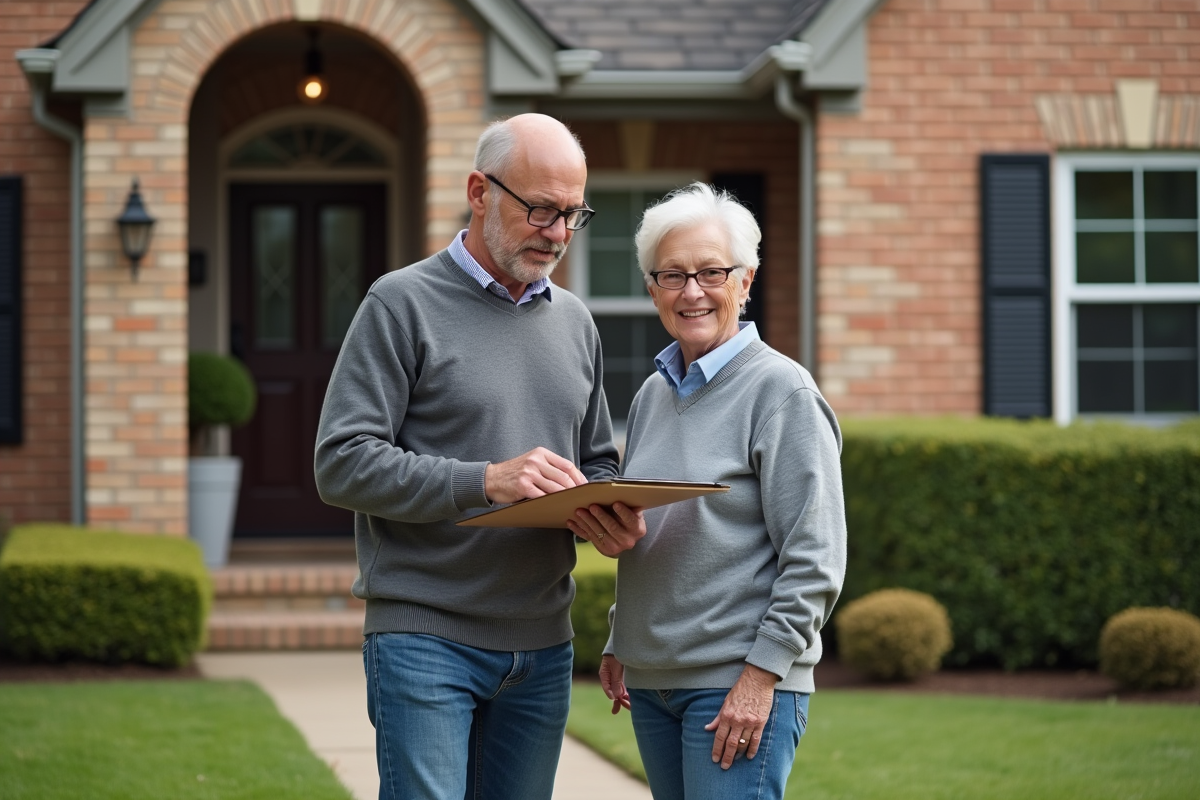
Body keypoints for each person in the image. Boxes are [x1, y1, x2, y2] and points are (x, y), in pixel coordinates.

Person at [314, 114, 646, 800]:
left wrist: (604, 512)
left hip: (543, 642)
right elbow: (341, 461)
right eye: (540, 210)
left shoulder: (576, 323)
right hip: (423, 637)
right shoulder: (399, 303)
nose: (557, 233)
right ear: (478, 191)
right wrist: (485, 480)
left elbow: (597, 460)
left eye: (572, 215)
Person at [568, 182, 847, 800]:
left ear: (745, 281)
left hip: (735, 682)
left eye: (710, 272)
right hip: (652, 681)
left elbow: (816, 559)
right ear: (652, 289)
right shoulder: (652, 395)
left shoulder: (783, 394)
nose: (691, 292)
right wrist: (622, 639)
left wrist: (761, 675)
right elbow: (655, 530)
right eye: (671, 275)